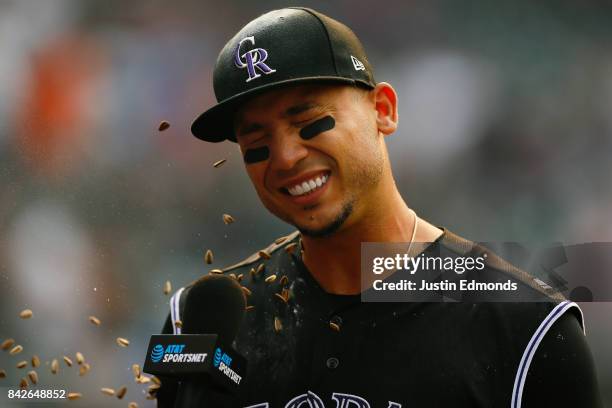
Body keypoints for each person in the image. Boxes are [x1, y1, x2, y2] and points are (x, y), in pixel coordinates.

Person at [157, 7, 602, 407]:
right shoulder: (201, 321)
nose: (286, 156)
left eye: (310, 122)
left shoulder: (525, 327)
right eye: (256, 142)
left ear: (383, 110)